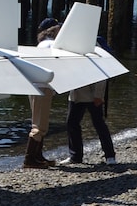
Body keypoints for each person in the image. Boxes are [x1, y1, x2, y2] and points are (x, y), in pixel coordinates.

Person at [61, 37, 117, 166]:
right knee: (71, 123)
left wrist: (99, 95)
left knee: (99, 124)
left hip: (92, 95)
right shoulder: (71, 45)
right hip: (76, 94)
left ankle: (110, 155)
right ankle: (75, 156)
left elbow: (102, 72)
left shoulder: (94, 46)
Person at [24, 18, 60, 168]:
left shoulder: (42, 45)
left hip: (37, 86)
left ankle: (38, 156)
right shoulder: (50, 45)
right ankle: (29, 160)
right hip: (43, 87)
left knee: (39, 123)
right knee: (39, 126)